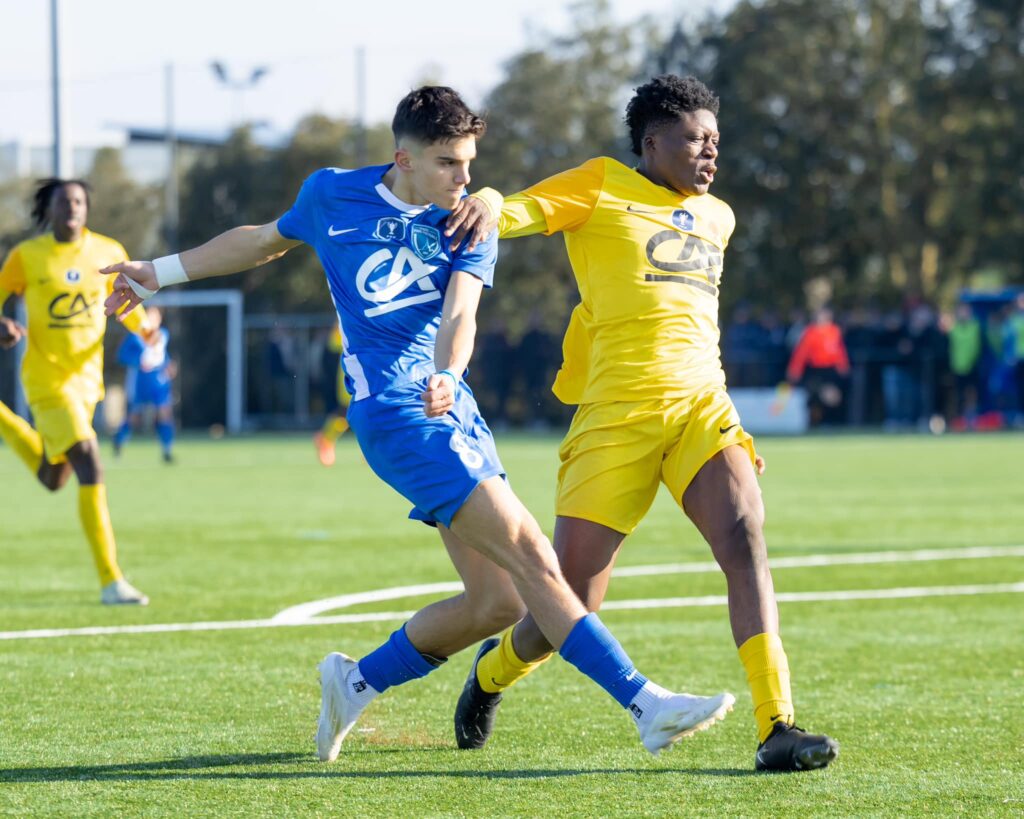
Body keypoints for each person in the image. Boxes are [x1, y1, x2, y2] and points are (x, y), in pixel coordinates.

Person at [102, 86, 735, 761]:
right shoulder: (330, 195)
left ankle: (355, 679)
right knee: (529, 550)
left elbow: (462, 314)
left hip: (449, 405)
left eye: (469, 163)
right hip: (394, 414)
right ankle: (646, 705)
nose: (466, 180)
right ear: (403, 158)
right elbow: (261, 241)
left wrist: (450, 370)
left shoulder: (468, 222)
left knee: (497, 604)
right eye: (448, 164)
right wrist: (158, 272)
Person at [446, 75, 838, 772]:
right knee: (567, 601)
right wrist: (486, 198)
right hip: (614, 420)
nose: (709, 151)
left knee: (746, 536)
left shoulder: (719, 216)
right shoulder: (599, 184)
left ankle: (776, 723)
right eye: (694, 138)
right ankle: (491, 673)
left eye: (715, 139)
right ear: (651, 142)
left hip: (702, 410)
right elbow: (521, 212)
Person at [0, 178, 150, 605]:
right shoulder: (26, 257)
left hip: (88, 382)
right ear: (47, 209)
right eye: (64, 201)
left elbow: (127, 303)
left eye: (80, 200)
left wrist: (148, 330)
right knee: (89, 461)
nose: (73, 207)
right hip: (46, 380)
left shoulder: (108, 252)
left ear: (88, 207)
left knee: (54, 477)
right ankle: (111, 580)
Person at [113, 305, 176, 462]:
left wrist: (168, 365)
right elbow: (122, 355)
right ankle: (119, 441)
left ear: (160, 319)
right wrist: (138, 361)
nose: (152, 320)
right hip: (141, 379)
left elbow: (160, 355)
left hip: (159, 379)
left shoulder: (163, 334)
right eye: (149, 316)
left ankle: (167, 450)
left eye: (155, 317)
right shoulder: (135, 336)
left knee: (164, 413)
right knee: (135, 416)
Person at [786, 307, 850, 427]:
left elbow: (839, 350)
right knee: (818, 397)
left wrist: (843, 365)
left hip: (831, 370)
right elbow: (801, 353)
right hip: (816, 370)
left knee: (833, 397)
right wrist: (795, 370)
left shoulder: (834, 331)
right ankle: (818, 422)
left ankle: (831, 422)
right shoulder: (810, 332)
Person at [312, 322, 351, 466]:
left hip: (373, 373)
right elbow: (334, 343)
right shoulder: (347, 315)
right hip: (352, 374)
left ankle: (375, 450)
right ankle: (326, 440)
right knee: (346, 411)